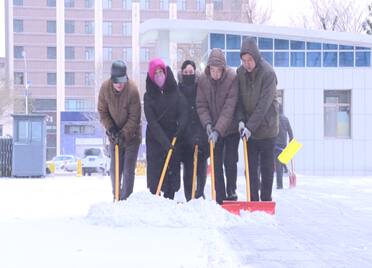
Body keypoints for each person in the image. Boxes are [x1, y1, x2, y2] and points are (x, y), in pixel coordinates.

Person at [237, 37, 279, 202]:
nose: (247, 64)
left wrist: (250, 127)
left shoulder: (268, 73)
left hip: (268, 128)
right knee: (251, 168)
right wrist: (241, 121)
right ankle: (253, 200)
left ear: (256, 57)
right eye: (244, 60)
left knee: (267, 168)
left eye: (249, 60)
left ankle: (266, 200)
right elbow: (238, 100)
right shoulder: (240, 73)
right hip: (249, 131)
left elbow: (263, 105)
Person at [196, 48, 239, 205]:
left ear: (223, 69)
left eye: (218, 70)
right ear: (208, 69)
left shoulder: (232, 78)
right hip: (213, 128)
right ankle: (220, 196)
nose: (215, 74)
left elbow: (229, 108)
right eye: (212, 70)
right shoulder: (203, 80)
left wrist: (217, 131)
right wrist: (207, 124)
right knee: (216, 162)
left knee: (230, 160)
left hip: (231, 128)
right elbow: (201, 105)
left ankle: (231, 191)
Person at [144, 58, 188, 199]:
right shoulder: (148, 96)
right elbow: (152, 121)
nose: (159, 75)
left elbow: (183, 111)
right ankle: (156, 199)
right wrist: (164, 142)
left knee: (172, 171)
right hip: (156, 140)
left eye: (160, 72)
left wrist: (181, 125)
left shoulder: (175, 91)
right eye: (155, 73)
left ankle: (170, 198)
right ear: (151, 76)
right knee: (157, 174)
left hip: (173, 138)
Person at [97, 60, 142, 201]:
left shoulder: (132, 90)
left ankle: (126, 198)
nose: (120, 85)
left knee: (128, 170)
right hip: (114, 135)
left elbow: (135, 117)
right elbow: (102, 111)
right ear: (112, 79)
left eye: (122, 81)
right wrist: (111, 128)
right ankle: (116, 196)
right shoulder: (104, 88)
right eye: (117, 82)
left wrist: (123, 134)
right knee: (115, 169)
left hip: (132, 136)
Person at [178, 60, 208, 201]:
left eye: (191, 72)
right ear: (182, 73)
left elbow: (204, 108)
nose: (188, 74)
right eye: (185, 72)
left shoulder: (200, 87)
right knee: (188, 168)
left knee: (201, 166)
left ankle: (200, 193)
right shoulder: (178, 89)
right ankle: (189, 196)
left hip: (201, 132)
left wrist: (199, 134)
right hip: (184, 136)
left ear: (195, 73)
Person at [275, 107, 293, 189]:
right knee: (282, 161)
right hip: (284, 144)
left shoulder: (275, 119)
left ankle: (279, 184)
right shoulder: (286, 119)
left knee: (278, 165)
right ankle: (285, 168)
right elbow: (290, 132)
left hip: (276, 145)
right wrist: (291, 141)